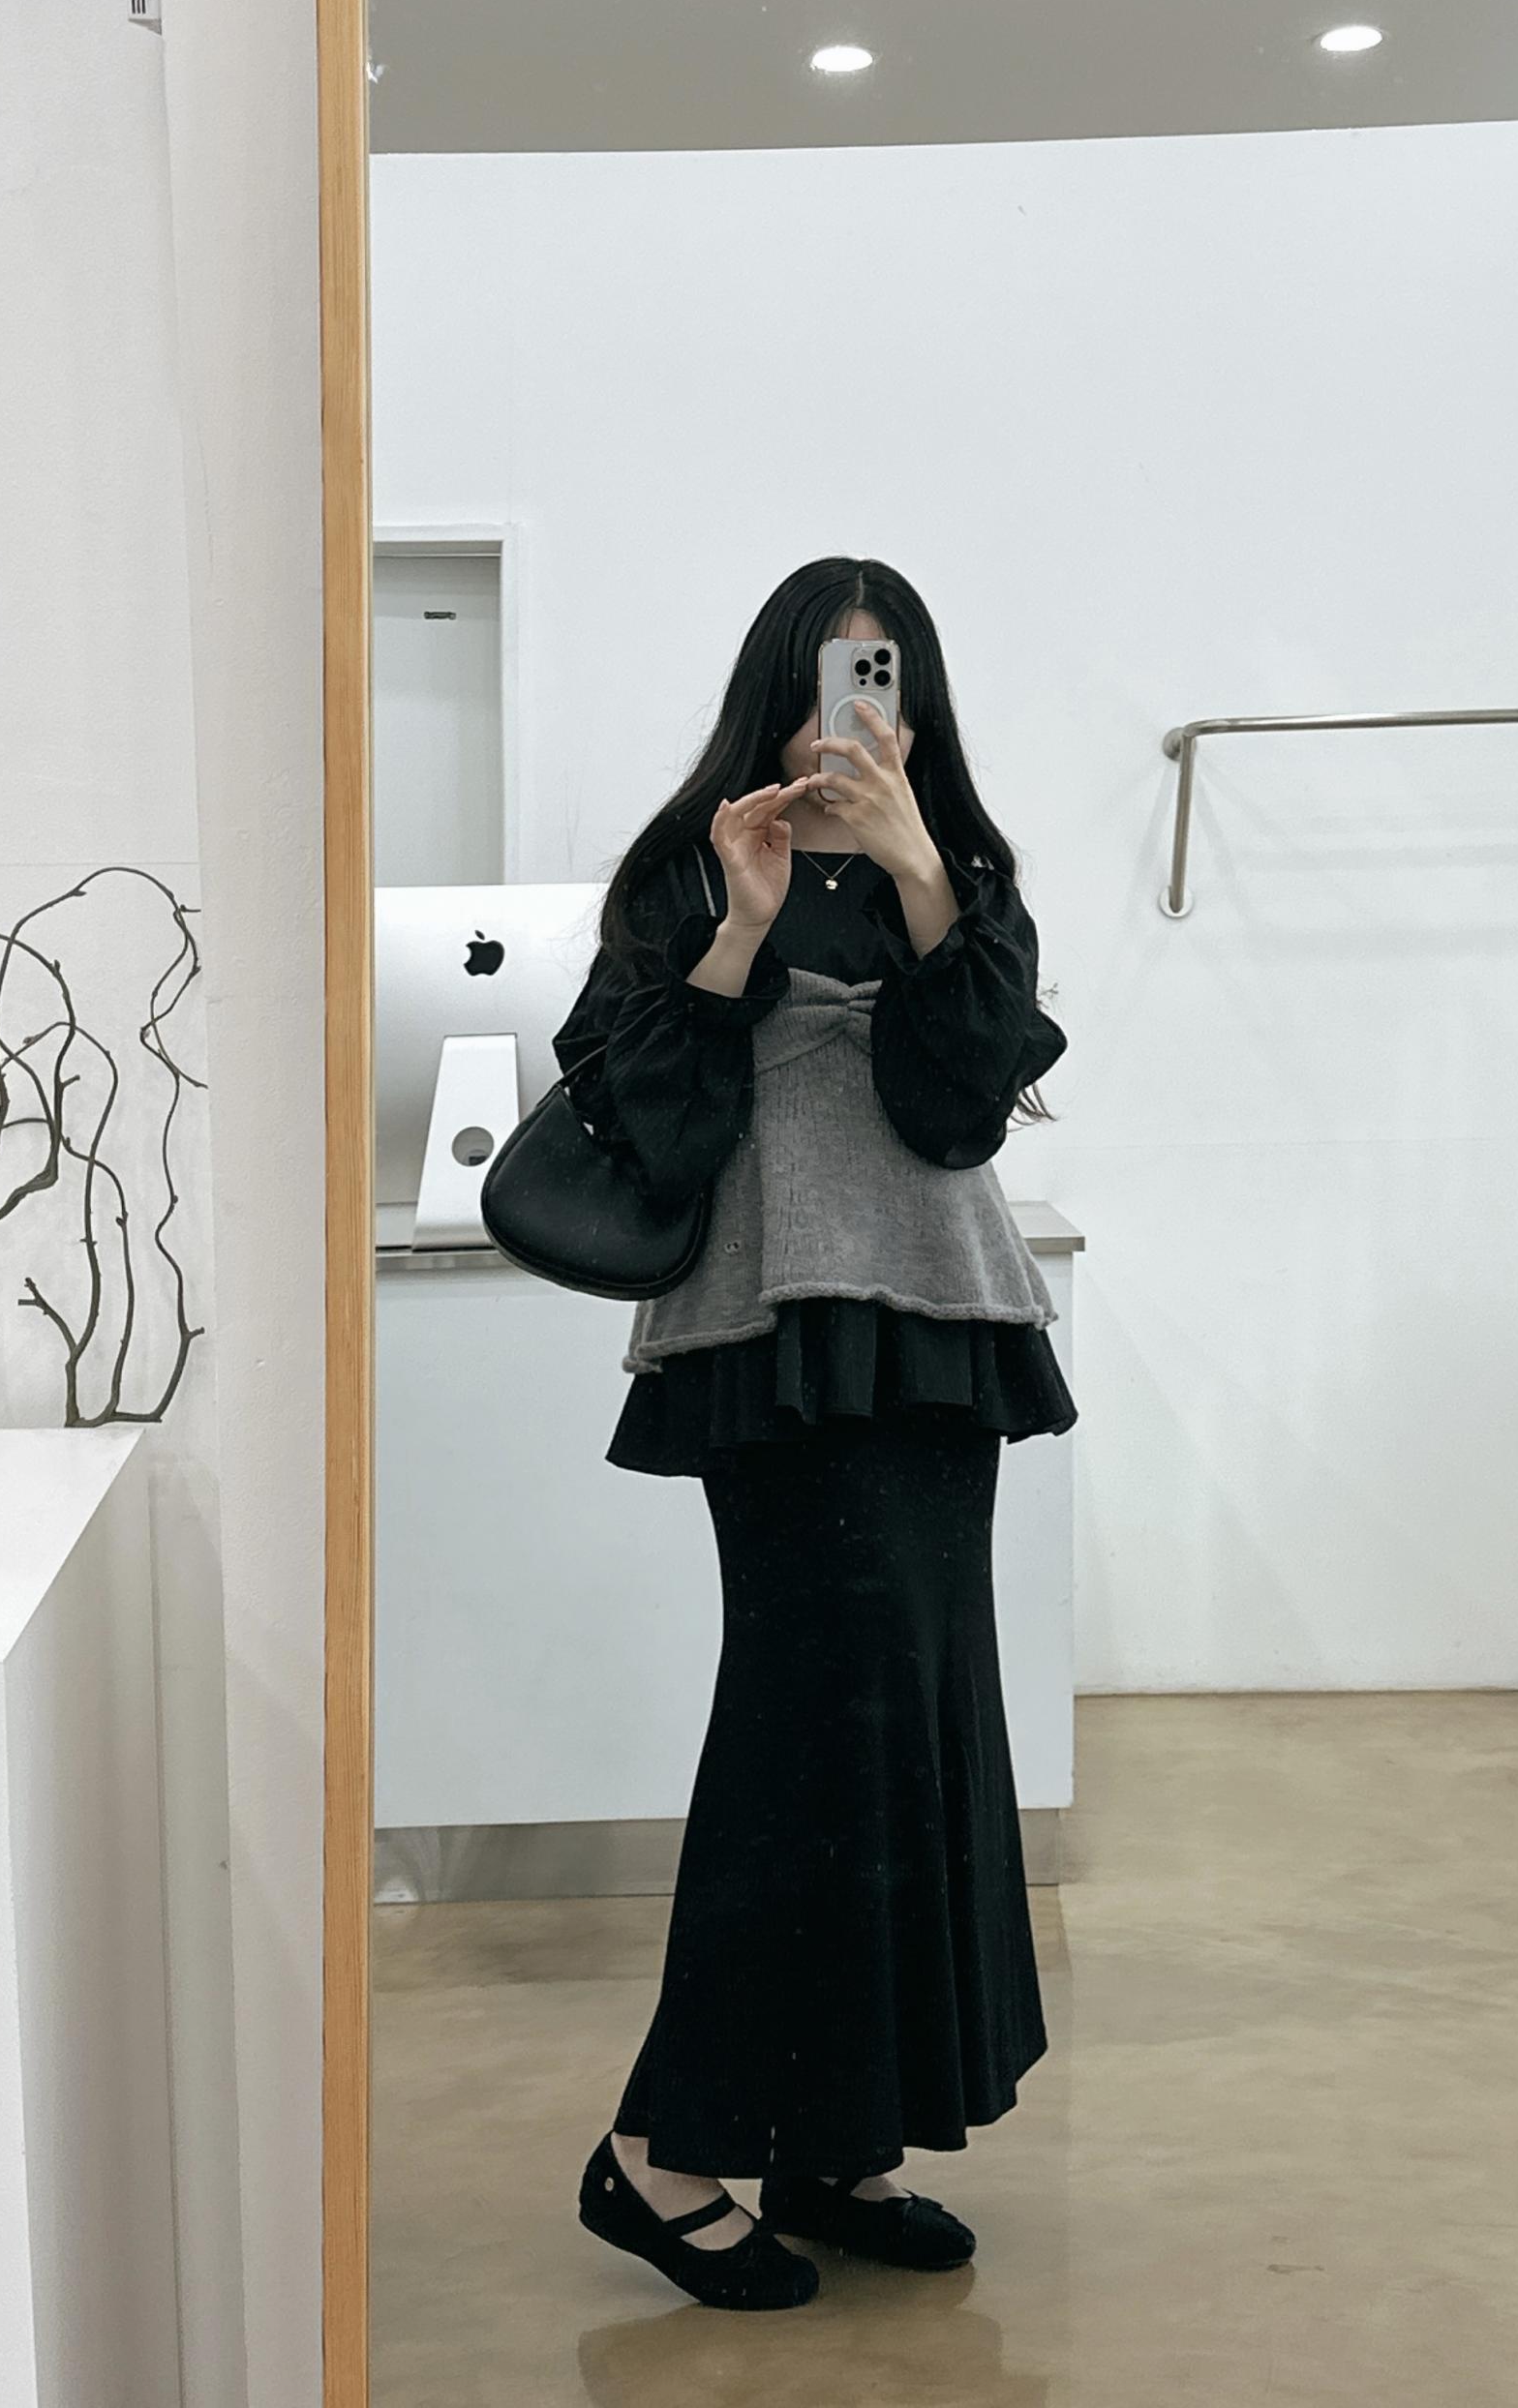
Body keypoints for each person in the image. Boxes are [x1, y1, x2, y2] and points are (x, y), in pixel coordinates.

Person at [564, 557, 1078, 2309]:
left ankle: (834, 2138)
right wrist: (737, 925)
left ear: (912, 704)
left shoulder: (966, 872)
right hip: (774, 1340)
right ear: (770, 690)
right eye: (819, 679)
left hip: (936, 1331)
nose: (842, 716)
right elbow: (648, 1121)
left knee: (916, 1731)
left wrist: (925, 874)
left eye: (878, 681)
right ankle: (658, 2150)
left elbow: (961, 1106)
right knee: (807, 1734)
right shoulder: (686, 863)